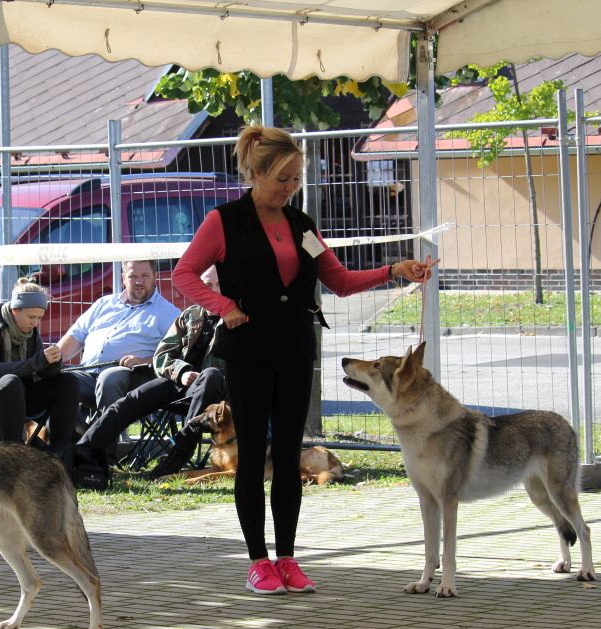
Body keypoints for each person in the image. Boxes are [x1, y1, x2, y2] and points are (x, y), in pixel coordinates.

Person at [173, 125, 435, 597]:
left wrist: (394, 270)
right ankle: (258, 561)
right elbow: (184, 273)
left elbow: (340, 280)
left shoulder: (302, 225)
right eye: (282, 179)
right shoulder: (224, 220)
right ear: (255, 172)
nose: (290, 189)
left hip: (294, 348)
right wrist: (224, 307)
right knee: (252, 456)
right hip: (248, 352)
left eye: (296, 180)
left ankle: (288, 558)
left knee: (291, 449)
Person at [73, 265, 227, 480]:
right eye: (208, 284)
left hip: (220, 392)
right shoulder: (190, 315)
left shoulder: (238, 317)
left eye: (220, 285)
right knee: (127, 403)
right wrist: (181, 372)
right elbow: (162, 355)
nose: (214, 289)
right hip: (182, 383)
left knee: (210, 374)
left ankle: (176, 457)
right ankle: (83, 453)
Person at [0, 278, 80, 472]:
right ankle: (14, 456)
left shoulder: (31, 332)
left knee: (68, 382)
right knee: (11, 381)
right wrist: (37, 361)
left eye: (39, 318)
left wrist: (53, 362)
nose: (35, 323)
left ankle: (60, 454)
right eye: (31, 317)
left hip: (19, 397)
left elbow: (42, 372)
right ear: (14, 310)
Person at [53, 259, 180, 416]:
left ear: (155, 277)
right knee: (59, 378)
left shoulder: (168, 313)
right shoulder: (103, 304)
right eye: (133, 276)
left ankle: (103, 439)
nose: (139, 281)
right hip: (88, 373)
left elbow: (177, 355)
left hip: (133, 379)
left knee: (109, 377)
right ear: (123, 278)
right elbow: (75, 336)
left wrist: (142, 361)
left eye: (145, 275)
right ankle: (70, 438)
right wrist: (50, 360)